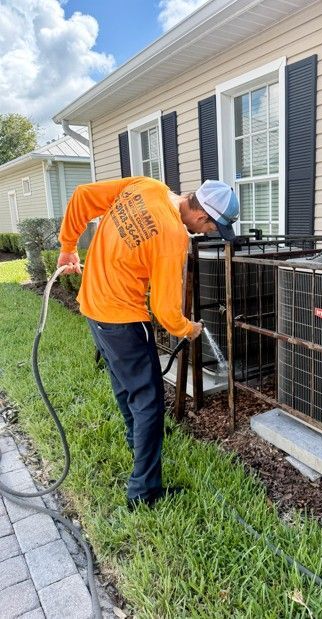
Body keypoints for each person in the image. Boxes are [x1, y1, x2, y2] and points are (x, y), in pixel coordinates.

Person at [57, 176, 239, 509]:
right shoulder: (172, 237)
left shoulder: (147, 187)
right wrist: (188, 329)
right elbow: (166, 311)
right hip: (122, 319)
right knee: (150, 402)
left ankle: (137, 439)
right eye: (214, 228)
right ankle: (143, 492)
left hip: (93, 307)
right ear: (202, 217)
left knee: (127, 387)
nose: (210, 234)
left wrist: (68, 247)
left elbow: (83, 195)